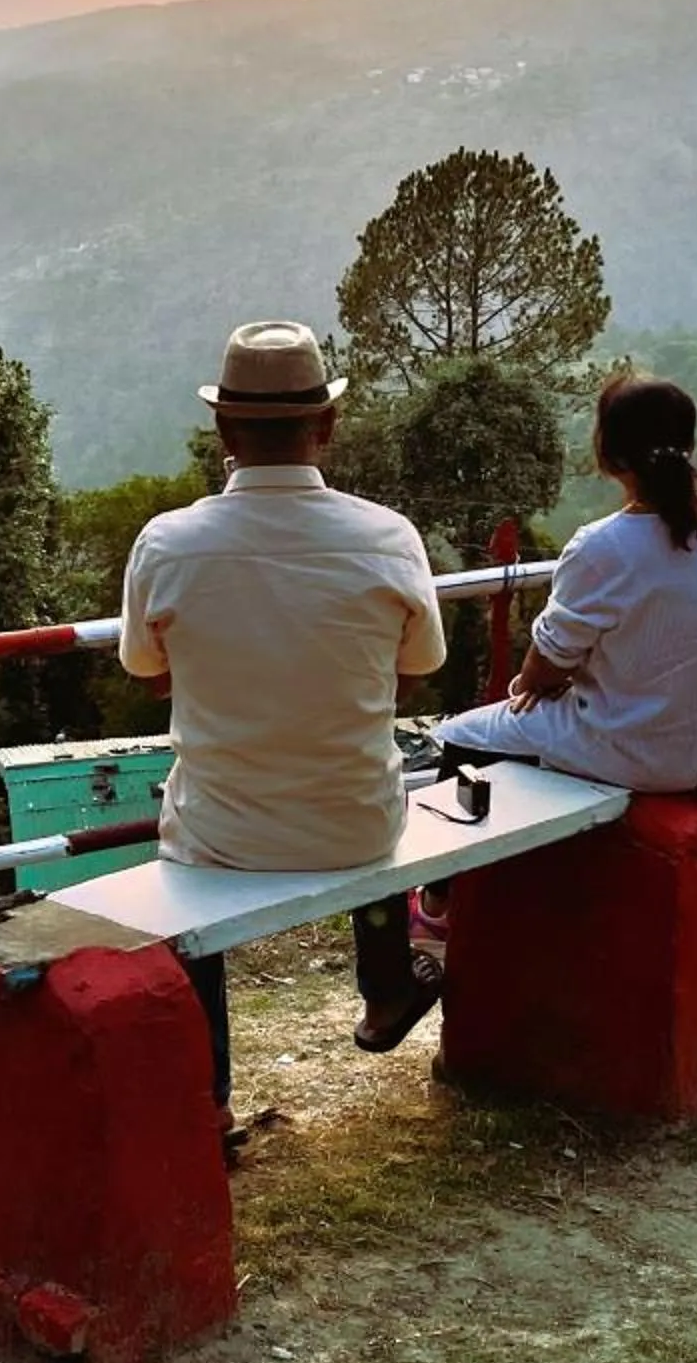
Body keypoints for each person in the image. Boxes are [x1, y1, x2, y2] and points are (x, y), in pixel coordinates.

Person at [119, 321, 449, 1127]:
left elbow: (143, 668)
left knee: (180, 870)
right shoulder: (388, 538)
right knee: (375, 785)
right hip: (358, 825)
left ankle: (210, 1104)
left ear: (223, 431)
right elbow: (421, 663)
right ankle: (386, 984)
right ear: (327, 427)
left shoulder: (167, 545)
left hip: (220, 830)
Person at [435, 372, 697, 1087]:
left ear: (606, 454)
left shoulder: (602, 546)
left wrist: (531, 687)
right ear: (686, 447)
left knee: (464, 737)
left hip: (641, 750)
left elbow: (547, 666)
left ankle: (438, 913)